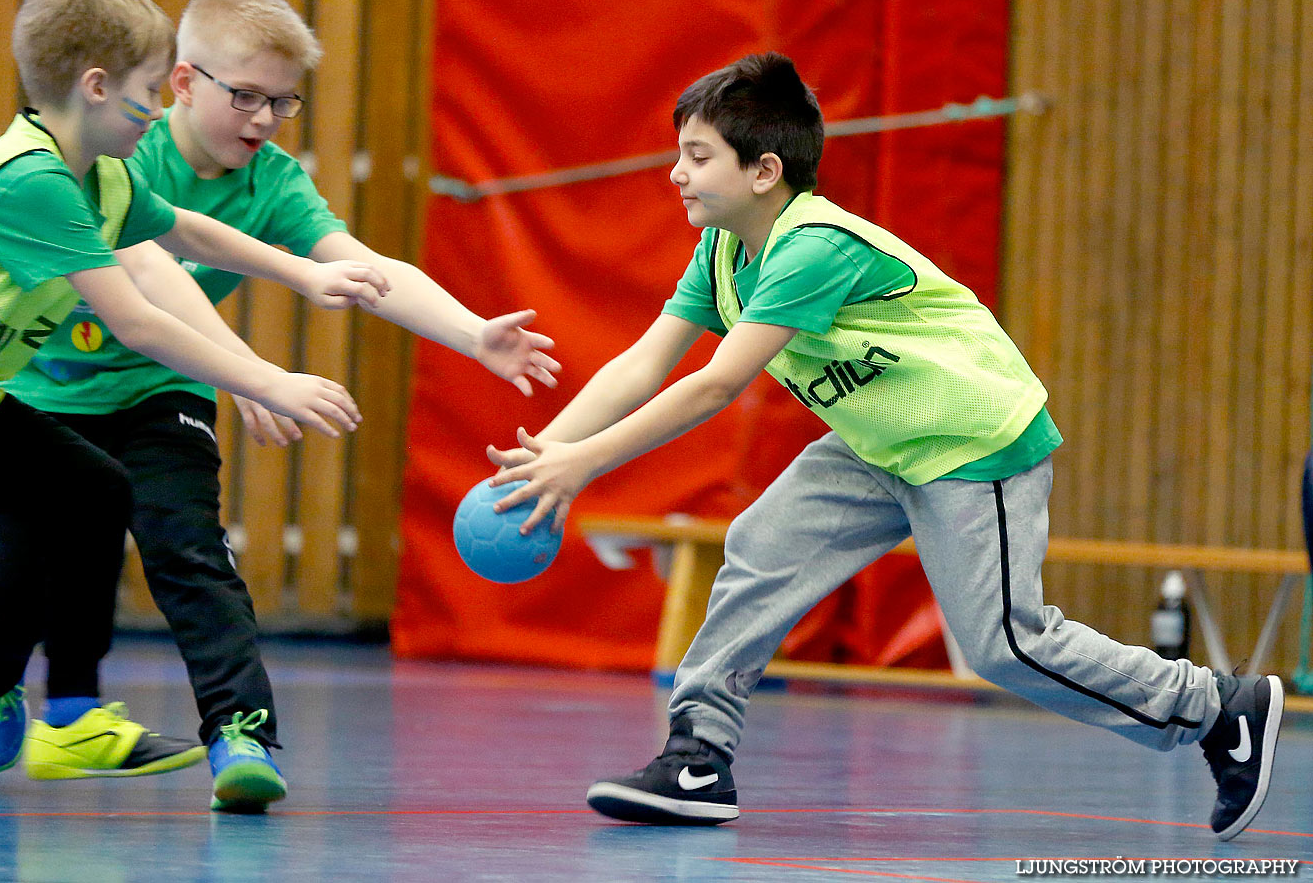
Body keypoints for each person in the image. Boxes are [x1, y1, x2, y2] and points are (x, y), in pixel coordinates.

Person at [487, 52, 1282, 841]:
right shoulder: (725, 251)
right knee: (760, 545)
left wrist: (584, 464)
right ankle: (698, 756)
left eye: (697, 157)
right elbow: (643, 364)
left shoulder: (811, 246)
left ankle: (1216, 709)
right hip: (879, 441)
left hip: (971, 441)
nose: (677, 174)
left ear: (765, 171)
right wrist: (545, 453)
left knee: (1004, 644)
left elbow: (715, 385)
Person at [0, 0, 562, 812]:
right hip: (34, 389)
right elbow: (148, 271)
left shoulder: (272, 183)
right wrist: (253, 373)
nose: (266, 118)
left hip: (159, 387)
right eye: (245, 96)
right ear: (181, 84)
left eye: (283, 102)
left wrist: (471, 333)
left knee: (190, 549)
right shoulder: (118, 146)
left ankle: (240, 729)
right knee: (22, 580)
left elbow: (361, 266)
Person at [0, 0, 387, 781]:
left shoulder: (103, 175)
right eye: (152, 90)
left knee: (92, 489)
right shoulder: (33, 183)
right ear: (93, 88)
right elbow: (137, 318)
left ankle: (25, 688)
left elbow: (191, 231)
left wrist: (304, 274)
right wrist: (263, 378)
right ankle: (5, 673)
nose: (158, 111)